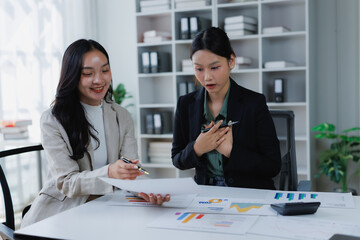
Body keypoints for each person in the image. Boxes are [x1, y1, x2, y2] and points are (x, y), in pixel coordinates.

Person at [21, 39, 169, 227]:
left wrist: (149, 189)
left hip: (105, 208)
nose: (99, 80)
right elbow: (67, 183)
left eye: (105, 71)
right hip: (62, 213)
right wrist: (110, 173)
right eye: (88, 73)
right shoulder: (52, 119)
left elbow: (133, 168)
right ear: (72, 76)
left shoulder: (121, 115)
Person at [172, 27, 281, 189]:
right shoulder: (185, 104)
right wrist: (197, 148)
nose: (207, 77)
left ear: (231, 61)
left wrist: (230, 150)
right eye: (199, 69)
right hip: (205, 193)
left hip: (248, 193)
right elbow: (177, 159)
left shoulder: (254, 103)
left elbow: (272, 166)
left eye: (214, 67)